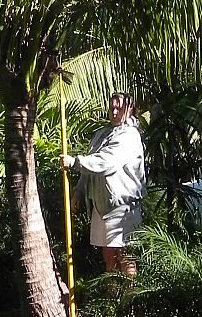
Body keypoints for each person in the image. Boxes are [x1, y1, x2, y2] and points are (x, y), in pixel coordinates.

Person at [61, 92, 147, 278]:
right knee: (108, 256)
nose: (114, 111)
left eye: (119, 107)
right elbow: (91, 164)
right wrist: (79, 190)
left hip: (123, 206)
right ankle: (111, 297)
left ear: (130, 109)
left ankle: (130, 300)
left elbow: (106, 162)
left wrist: (75, 162)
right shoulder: (102, 134)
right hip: (101, 206)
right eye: (112, 107)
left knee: (125, 256)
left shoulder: (130, 136)